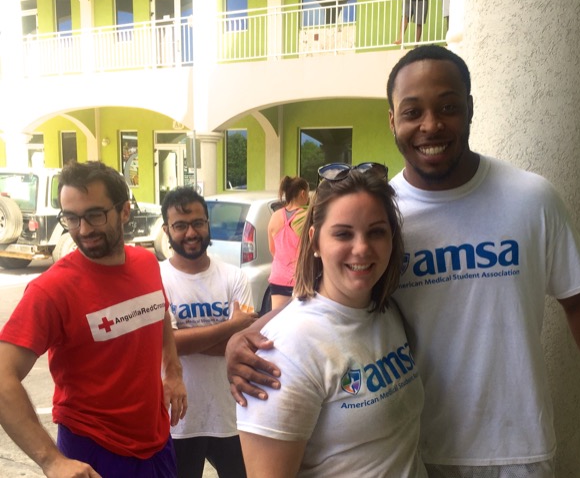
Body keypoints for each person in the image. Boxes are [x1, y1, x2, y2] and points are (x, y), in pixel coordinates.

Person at [226, 45, 580, 478]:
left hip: (517, 449)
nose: (430, 125)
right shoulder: (382, 214)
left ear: (470, 109)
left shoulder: (531, 199)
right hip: (418, 449)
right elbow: (334, 300)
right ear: (392, 120)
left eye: (448, 107)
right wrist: (250, 336)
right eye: (412, 112)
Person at [0, 160, 187, 477]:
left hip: (157, 443)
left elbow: (159, 314)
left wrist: (173, 370)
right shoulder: (52, 290)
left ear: (124, 211)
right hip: (94, 453)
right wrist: (51, 460)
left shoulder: (145, 263)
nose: (83, 230)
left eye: (94, 215)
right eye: (71, 218)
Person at [236, 167, 427, 477]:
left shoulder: (387, 312)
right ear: (314, 241)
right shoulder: (287, 347)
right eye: (343, 233)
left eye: (376, 231)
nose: (362, 248)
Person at [160, 187, 260, 478]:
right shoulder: (157, 278)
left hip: (231, 416)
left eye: (198, 223)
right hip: (178, 421)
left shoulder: (234, 277)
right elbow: (169, 344)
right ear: (167, 229)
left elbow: (245, 343)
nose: (191, 233)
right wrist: (230, 327)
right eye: (180, 226)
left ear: (207, 224)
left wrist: (179, 341)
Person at [267, 176, 309, 309]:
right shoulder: (306, 216)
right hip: (299, 279)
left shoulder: (275, 216)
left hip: (278, 277)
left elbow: (272, 250)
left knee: (277, 321)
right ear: (303, 193)